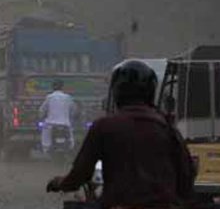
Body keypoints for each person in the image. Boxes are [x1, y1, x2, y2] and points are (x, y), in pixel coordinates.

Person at [46, 60, 195, 209]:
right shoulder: (167, 128)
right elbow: (187, 173)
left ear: (117, 91)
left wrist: (60, 183)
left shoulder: (103, 126)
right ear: (151, 91)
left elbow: (80, 174)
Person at [39, 79, 77, 153]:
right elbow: (73, 110)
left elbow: (42, 110)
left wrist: (41, 116)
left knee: (45, 136)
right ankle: (71, 147)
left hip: (51, 124)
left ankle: (46, 148)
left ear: (53, 87)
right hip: (65, 123)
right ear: (62, 87)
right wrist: (72, 117)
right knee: (71, 136)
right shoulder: (68, 97)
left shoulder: (49, 97)